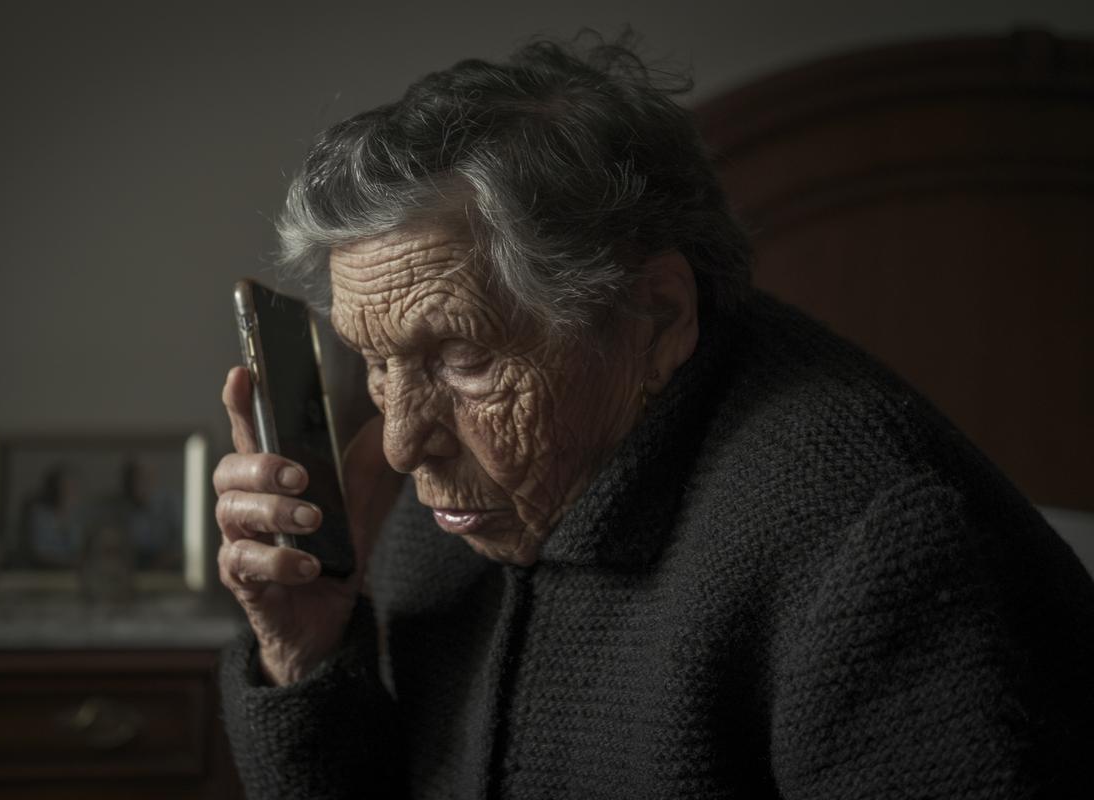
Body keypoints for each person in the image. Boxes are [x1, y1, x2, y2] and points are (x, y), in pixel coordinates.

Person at [214, 35, 1094, 799]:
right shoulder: (471, 499)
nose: (403, 444)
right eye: (375, 360)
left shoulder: (873, 548)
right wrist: (305, 660)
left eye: (466, 357)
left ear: (657, 314)